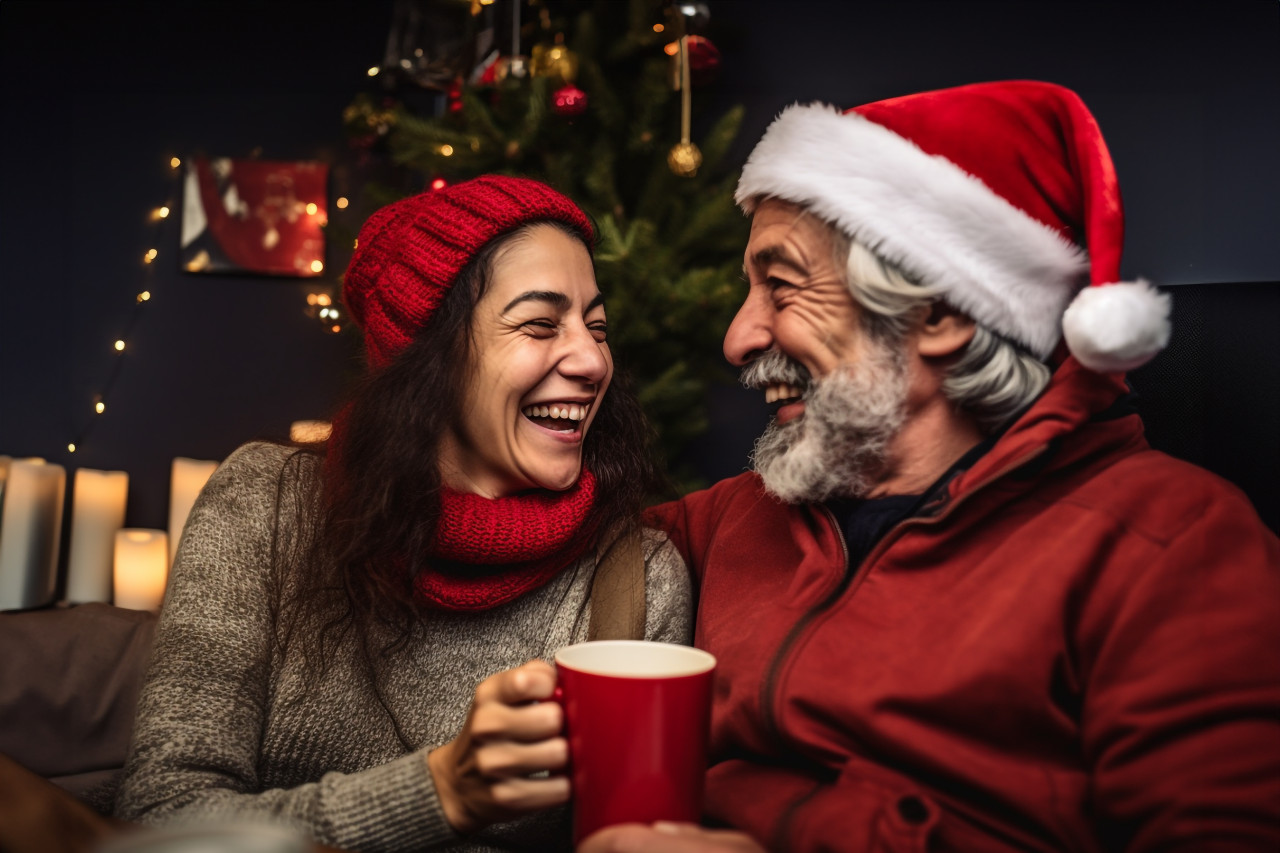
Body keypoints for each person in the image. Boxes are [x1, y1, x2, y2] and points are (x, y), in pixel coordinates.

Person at [581, 81, 1280, 852]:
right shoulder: (733, 518)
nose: (739, 337)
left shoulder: (1170, 544)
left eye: (780, 285)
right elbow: (543, 546)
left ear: (939, 312)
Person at [114, 175, 693, 852]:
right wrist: (441, 790)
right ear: (430, 356)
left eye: (597, 327)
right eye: (540, 323)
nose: (594, 359)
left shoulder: (640, 576)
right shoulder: (265, 507)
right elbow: (162, 814)